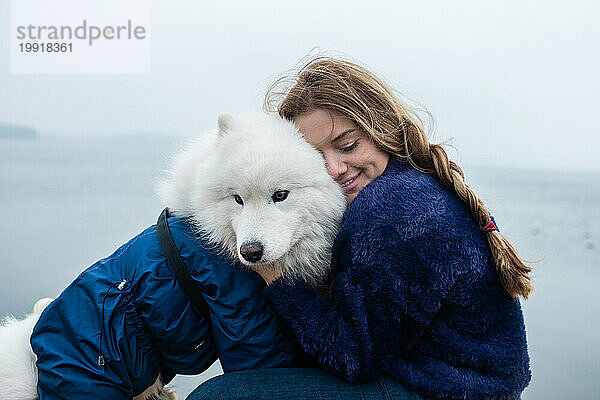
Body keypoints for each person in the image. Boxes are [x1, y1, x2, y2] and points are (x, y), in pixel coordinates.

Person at [187, 57, 532, 400]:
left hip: (450, 390)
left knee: (217, 396)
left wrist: (274, 279)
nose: (335, 168)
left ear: (380, 126)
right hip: (466, 380)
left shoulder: (391, 208)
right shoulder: (410, 183)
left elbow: (354, 358)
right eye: (317, 156)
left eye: (348, 145)